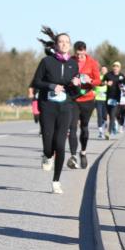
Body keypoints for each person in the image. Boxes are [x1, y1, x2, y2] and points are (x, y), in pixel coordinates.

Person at [28, 26, 81, 194]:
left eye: (67, 42)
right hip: (48, 106)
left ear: (70, 45)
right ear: (56, 45)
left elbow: (74, 93)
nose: (64, 44)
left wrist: (76, 86)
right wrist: (52, 86)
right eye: (61, 42)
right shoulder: (47, 62)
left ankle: (56, 181)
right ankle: (46, 155)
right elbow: (36, 82)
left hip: (65, 108)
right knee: (48, 143)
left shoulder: (73, 64)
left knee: (60, 144)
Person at [67, 41, 101, 169]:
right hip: (74, 100)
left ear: (85, 51)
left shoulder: (92, 63)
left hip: (87, 99)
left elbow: (98, 81)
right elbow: (64, 77)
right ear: (74, 52)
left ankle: (83, 152)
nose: (80, 56)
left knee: (84, 128)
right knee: (72, 128)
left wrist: (90, 80)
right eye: (78, 54)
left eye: (82, 54)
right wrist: (71, 81)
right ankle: (73, 156)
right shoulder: (70, 61)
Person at [103, 61, 125, 137]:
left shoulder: (122, 76)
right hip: (108, 98)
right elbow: (101, 82)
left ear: (119, 68)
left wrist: (121, 87)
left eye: (117, 67)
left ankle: (108, 132)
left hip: (116, 99)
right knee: (105, 115)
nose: (115, 68)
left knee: (112, 115)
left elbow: (124, 86)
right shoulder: (108, 75)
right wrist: (106, 83)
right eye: (114, 66)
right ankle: (114, 124)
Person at [94, 70, 108, 139]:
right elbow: (95, 85)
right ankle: (100, 131)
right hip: (98, 99)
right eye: (103, 70)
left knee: (104, 116)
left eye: (105, 70)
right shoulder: (98, 77)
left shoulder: (109, 78)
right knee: (99, 115)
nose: (103, 71)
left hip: (105, 100)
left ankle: (104, 128)